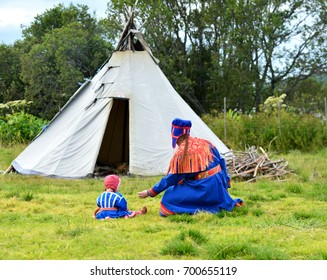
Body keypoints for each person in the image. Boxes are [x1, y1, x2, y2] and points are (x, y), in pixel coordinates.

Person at [138, 118, 243, 216]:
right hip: (219, 186)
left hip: (205, 188)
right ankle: (218, 203)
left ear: (174, 134)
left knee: (168, 199)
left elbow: (171, 179)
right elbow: (221, 161)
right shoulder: (205, 143)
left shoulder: (182, 153)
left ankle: (205, 207)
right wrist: (226, 183)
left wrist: (150, 192)